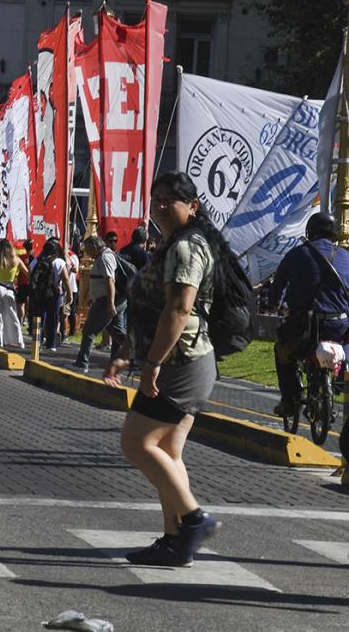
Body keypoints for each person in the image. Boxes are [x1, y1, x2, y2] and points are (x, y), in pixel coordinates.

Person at [103, 171, 224, 567]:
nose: (159, 205)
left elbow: (178, 309)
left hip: (182, 363)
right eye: (155, 198)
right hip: (183, 360)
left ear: (193, 206)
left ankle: (194, 519)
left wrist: (152, 363)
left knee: (136, 442)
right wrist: (130, 353)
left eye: (170, 198)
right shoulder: (174, 243)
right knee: (168, 452)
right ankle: (176, 542)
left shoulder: (188, 247)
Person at [268, 212, 349, 416]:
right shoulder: (346, 256)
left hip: (305, 327)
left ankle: (290, 400)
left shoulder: (297, 254)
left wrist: (273, 303)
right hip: (340, 326)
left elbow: (277, 286)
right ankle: (338, 383)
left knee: (282, 351)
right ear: (333, 234)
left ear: (309, 232)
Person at [74, 235, 128, 370]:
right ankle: (140, 356)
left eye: (87, 249)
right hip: (109, 299)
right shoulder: (103, 257)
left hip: (108, 301)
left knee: (89, 331)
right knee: (117, 332)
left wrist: (110, 304)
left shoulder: (105, 257)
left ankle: (82, 363)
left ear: (95, 247)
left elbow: (110, 281)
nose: (86, 252)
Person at [29, 238, 71, 351]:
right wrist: (69, 294)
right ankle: (51, 344)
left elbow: (31, 278)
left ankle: (36, 342)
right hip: (54, 294)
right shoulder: (59, 262)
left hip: (38, 294)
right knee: (52, 319)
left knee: (38, 318)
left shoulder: (35, 262)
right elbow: (66, 279)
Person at [0, 239, 27, 348]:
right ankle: (18, 341)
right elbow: (27, 273)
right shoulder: (17, 260)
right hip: (10, 289)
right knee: (12, 315)